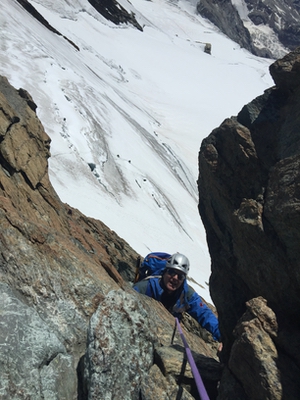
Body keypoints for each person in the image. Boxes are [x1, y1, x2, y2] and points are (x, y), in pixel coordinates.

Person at [133, 253, 221, 343]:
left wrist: (222, 337)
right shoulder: (145, 287)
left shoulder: (186, 293)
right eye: (171, 272)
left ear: (183, 279)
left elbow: (205, 314)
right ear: (164, 271)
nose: (175, 278)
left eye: (180, 276)